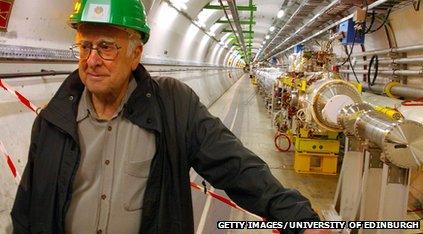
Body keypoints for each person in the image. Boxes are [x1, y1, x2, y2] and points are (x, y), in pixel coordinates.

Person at [11, 0, 320, 233]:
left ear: (135, 54)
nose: (92, 60)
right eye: (85, 46)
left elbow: (234, 165)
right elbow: (26, 208)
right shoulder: (53, 119)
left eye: (106, 47)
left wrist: (295, 214)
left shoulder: (173, 105)